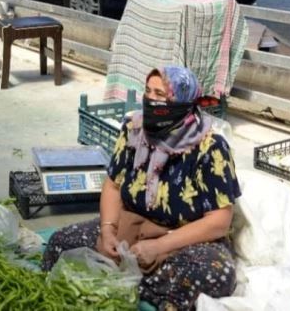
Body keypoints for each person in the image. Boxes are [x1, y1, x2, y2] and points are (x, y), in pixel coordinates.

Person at [42, 66, 241, 311]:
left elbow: (219, 221)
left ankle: (125, 280)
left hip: (182, 239)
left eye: (161, 94)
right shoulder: (134, 131)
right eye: (148, 92)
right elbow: (113, 186)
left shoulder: (210, 147)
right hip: (132, 225)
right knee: (61, 243)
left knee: (214, 273)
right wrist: (108, 232)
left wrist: (159, 246)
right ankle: (139, 283)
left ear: (183, 103)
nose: (150, 100)